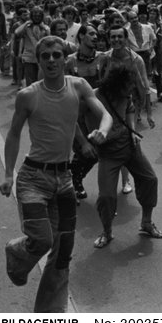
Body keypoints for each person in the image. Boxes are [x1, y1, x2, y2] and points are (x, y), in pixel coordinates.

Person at [0, 35, 113, 312]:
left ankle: (50, 312)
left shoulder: (79, 86)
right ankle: (17, 252)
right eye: (45, 56)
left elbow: (104, 115)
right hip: (33, 178)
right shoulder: (28, 96)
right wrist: (8, 175)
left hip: (64, 179)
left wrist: (101, 131)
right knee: (43, 240)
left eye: (56, 55)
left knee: (63, 252)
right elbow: (13, 135)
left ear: (65, 58)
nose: (51, 60)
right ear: (38, 60)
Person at [83, 64, 162, 249]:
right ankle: (107, 232)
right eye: (128, 85)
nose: (131, 89)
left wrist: (133, 131)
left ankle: (146, 222)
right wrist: (85, 142)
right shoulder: (93, 96)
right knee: (106, 197)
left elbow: (130, 110)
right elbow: (75, 119)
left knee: (150, 179)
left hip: (129, 147)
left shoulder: (125, 95)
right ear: (116, 84)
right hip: (108, 153)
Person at [65, 24, 105, 201]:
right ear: (81, 36)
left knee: (96, 152)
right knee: (84, 150)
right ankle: (74, 181)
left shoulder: (103, 59)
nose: (95, 37)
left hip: (96, 115)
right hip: (76, 115)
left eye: (96, 34)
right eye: (91, 34)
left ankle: (74, 177)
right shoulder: (70, 62)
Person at [98, 25, 155, 130]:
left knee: (130, 137)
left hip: (131, 107)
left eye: (120, 36)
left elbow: (145, 88)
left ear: (125, 38)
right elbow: (100, 84)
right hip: (110, 106)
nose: (116, 40)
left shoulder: (137, 60)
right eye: (113, 37)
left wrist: (149, 114)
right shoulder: (104, 58)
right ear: (109, 39)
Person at [15, 6, 49, 87]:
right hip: (29, 58)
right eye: (35, 16)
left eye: (39, 16)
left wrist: (43, 27)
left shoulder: (45, 27)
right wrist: (27, 23)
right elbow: (17, 32)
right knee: (30, 82)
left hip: (42, 58)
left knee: (41, 81)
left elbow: (49, 37)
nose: (37, 18)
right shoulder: (27, 27)